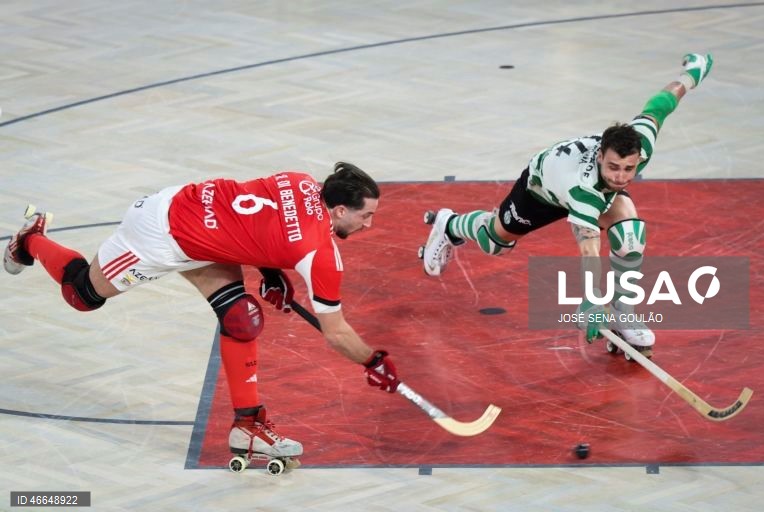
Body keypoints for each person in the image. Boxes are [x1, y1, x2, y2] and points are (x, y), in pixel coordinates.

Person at [3, 161, 400, 463]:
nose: (370, 224)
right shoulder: (320, 255)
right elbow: (336, 332)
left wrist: (270, 273)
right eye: (366, 215)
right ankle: (31, 242)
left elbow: (259, 222)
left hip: (200, 227)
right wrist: (372, 360)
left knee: (242, 319)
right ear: (339, 210)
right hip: (160, 235)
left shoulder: (298, 181)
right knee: (82, 295)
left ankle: (247, 426)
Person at [419, 53, 714, 357]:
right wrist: (590, 299)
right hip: (541, 192)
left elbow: (661, 104)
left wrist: (693, 74)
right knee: (495, 242)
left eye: (628, 169)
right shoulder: (583, 188)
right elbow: (588, 248)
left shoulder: (640, 145)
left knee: (628, 231)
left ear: (639, 159)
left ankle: (624, 310)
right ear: (600, 156)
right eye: (613, 167)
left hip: (584, 192)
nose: (620, 177)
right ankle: (449, 224)